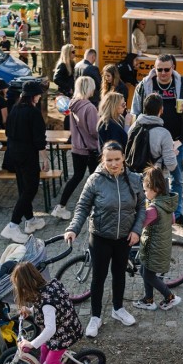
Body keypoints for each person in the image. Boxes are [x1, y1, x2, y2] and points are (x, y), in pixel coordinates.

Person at [64, 141, 146, 337]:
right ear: (103, 159)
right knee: (98, 278)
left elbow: (142, 207)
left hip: (124, 238)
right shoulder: (95, 180)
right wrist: (73, 228)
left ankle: (118, 309)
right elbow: (82, 206)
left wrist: (136, 230)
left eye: (117, 159)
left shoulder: (134, 179)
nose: (114, 163)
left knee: (119, 274)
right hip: (100, 237)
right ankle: (95, 316)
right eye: (109, 160)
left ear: (123, 158)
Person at [131, 54, 183, 230]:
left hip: (175, 142)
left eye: (166, 69)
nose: (162, 73)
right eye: (159, 69)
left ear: (173, 68)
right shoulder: (144, 85)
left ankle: (177, 213)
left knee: (177, 179)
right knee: (147, 182)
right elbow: (135, 112)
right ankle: (147, 217)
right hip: (149, 143)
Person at [10, 262, 89, 364]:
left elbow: (50, 328)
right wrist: (30, 310)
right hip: (63, 326)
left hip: (64, 334)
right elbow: (45, 307)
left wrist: (32, 343)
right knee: (44, 347)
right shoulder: (49, 285)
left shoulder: (47, 302)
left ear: (27, 285)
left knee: (52, 362)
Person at [0, 81, 50, 243]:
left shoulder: (15, 108)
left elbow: (8, 131)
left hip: (13, 153)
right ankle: (13, 225)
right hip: (27, 155)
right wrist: (44, 158)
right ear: (33, 96)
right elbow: (39, 139)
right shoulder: (33, 112)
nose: (40, 96)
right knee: (31, 188)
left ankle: (30, 220)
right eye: (38, 94)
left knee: (23, 187)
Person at [132, 166, 181, 311]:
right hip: (160, 246)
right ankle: (149, 299)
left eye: (146, 190)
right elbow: (172, 220)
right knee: (145, 272)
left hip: (153, 248)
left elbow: (141, 224)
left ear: (155, 189)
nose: (144, 193)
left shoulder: (153, 210)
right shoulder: (165, 203)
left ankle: (170, 297)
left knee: (148, 274)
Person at [51, 76, 100, 221]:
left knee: (77, 177)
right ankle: (96, 209)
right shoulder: (89, 107)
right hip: (90, 148)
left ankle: (61, 206)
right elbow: (94, 131)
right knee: (95, 179)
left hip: (77, 147)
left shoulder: (72, 104)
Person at [127, 94, 177, 178]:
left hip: (134, 176)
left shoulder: (134, 126)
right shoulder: (164, 134)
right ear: (161, 109)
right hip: (155, 179)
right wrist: (173, 153)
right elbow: (171, 165)